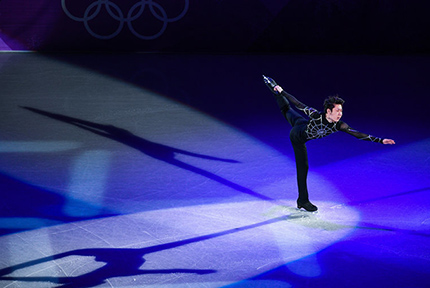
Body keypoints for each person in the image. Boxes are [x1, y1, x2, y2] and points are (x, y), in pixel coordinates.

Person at [263, 75, 395, 212]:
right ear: (328, 111)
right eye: (337, 111)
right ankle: (303, 200)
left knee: (286, 110)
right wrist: (283, 91)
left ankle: (274, 88)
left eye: (341, 111)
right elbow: (298, 104)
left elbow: (357, 134)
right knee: (303, 167)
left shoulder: (340, 125)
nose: (340, 114)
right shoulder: (315, 115)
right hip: (297, 136)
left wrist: (381, 140)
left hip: (301, 123)